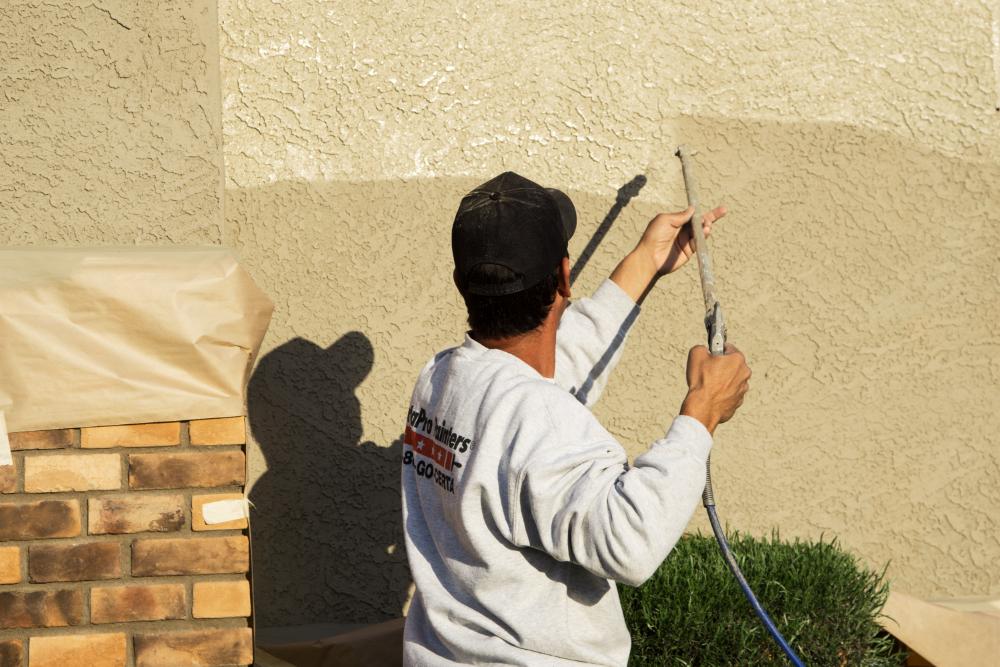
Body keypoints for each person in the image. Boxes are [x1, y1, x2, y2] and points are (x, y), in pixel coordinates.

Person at [401, 171, 751, 666]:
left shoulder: (440, 379)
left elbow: (542, 376)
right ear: (564, 275)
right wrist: (702, 411)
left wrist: (646, 262)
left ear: (463, 282)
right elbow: (629, 541)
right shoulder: (538, 420)